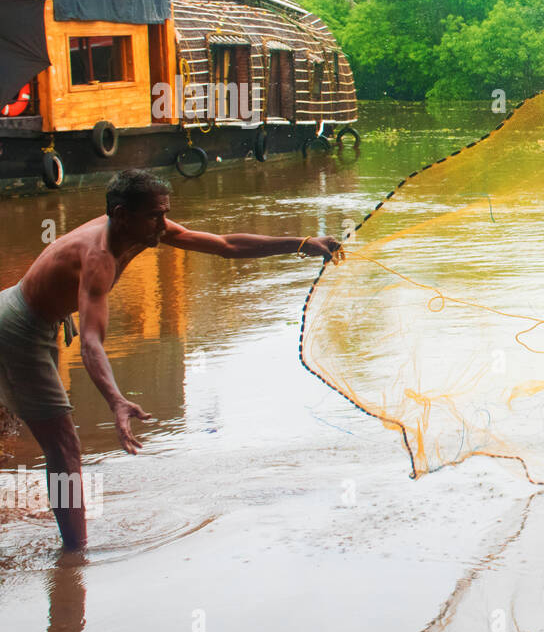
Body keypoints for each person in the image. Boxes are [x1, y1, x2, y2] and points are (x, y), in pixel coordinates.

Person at [0, 169, 343, 550]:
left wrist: (302, 243)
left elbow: (225, 245)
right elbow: (93, 342)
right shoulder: (98, 257)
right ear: (121, 214)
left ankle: (69, 542)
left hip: (41, 315)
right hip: (19, 328)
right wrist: (115, 399)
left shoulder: (143, 227)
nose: (163, 225)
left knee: (54, 440)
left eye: (165, 213)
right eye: (154, 216)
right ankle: (75, 553)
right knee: (63, 446)